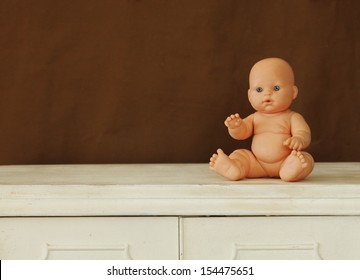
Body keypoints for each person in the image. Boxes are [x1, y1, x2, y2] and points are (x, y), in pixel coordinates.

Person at [209, 58, 314, 182]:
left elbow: (304, 132)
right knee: (241, 154)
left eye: (276, 88)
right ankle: (234, 168)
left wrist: (299, 139)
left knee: (306, 158)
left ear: (293, 92)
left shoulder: (292, 117)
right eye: (259, 90)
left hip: (285, 160)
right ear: (249, 95)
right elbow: (242, 134)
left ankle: (291, 169)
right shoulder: (254, 117)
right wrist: (236, 127)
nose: (267, 94)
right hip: (257, 164)